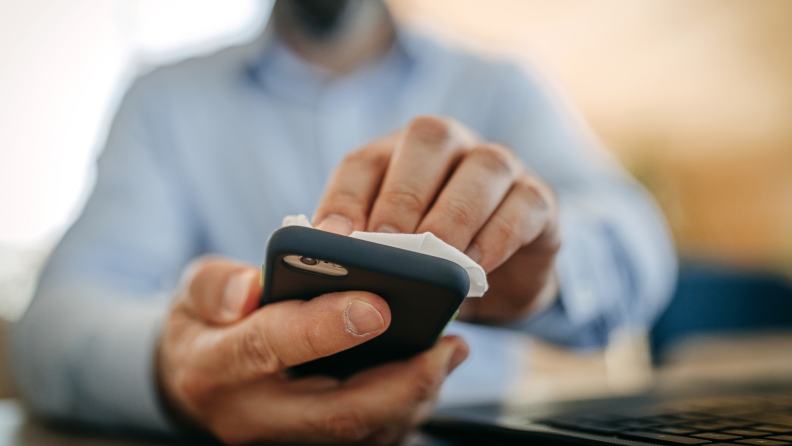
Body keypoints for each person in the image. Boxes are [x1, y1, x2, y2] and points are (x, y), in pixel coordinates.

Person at [12, 0, 677, 444]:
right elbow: (51, 329)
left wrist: (545, 275)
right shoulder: (166, 99)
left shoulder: (497, 85)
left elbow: (642, 247)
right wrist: (177, 367)